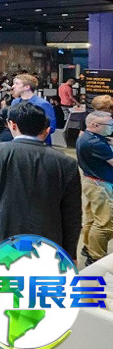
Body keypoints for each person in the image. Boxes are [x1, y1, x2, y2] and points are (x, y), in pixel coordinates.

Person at [0, 102, 81, 349]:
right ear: (46, 129)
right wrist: (70, 253)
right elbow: (72, 213)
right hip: (46, 242)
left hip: (1, 239)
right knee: (38, 301)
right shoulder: (66, 163)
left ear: (12, 125)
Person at [76, 110, 113, 265]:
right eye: (109, 125)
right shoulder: (96, 143)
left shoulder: (86, 137)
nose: (111, 127)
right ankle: (96, 256)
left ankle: (89, 247)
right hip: (100, 185)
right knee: (105, 224)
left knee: (92, 219)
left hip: (91, 182)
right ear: (95, 125)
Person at [10, 73, 57, 144]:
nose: (13, 86)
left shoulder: (42, 104)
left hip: (38, 143)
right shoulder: (15, 102)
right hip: (18, 142)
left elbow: (51, 126)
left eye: (17, 84)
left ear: (27, 87)